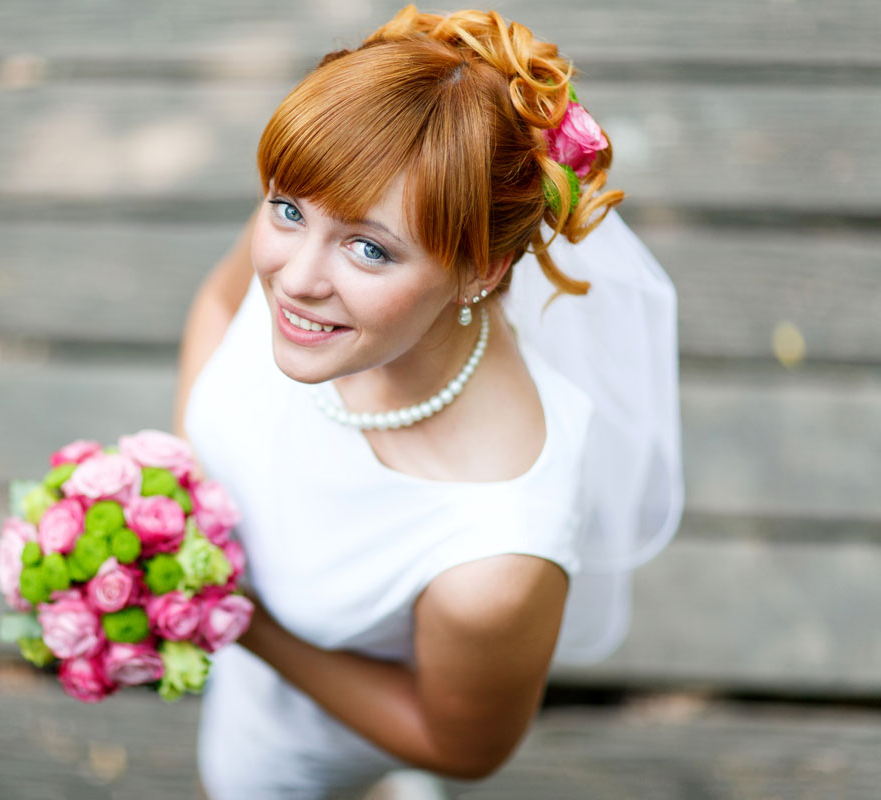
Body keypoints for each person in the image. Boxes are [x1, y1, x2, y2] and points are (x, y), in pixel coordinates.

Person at [173, 6, 683, 798]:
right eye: (285, 209)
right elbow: (216, 304)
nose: (297, 277)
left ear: (481, 269)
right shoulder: (314, 219)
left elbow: (462, 745)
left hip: (305, 740)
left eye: (370, 249)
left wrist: (239, 615)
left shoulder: (497, 551)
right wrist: (177, 491)